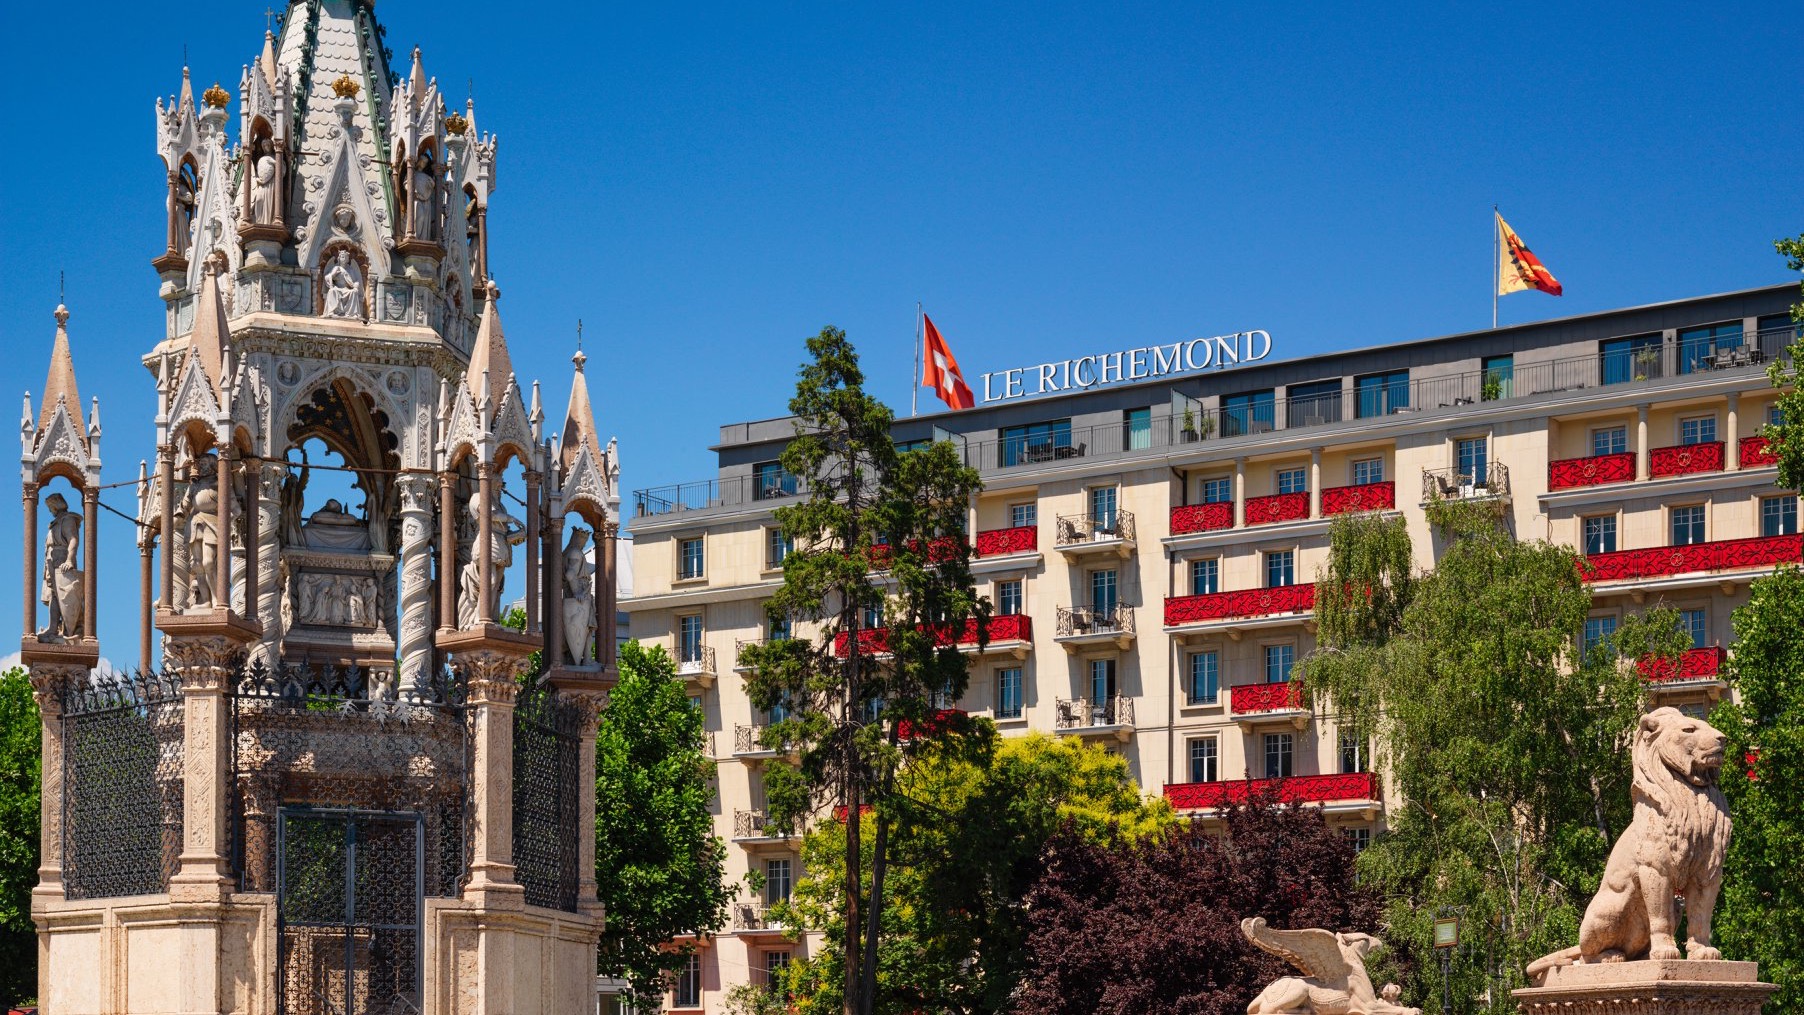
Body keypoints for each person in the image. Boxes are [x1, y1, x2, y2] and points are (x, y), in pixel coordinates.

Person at [39, 493, 84, 639]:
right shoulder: (56, 522)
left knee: (65, 594)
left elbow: (73, 539)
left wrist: (70, 560)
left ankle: (70, 630)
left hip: (62, 560)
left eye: (50, 506)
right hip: (52, 560)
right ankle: (53, 627)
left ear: (56, 504)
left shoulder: (68, 519)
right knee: (53, 595)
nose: (50, 510)